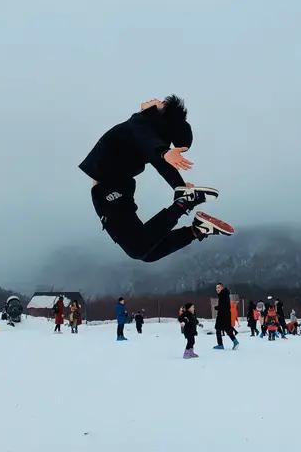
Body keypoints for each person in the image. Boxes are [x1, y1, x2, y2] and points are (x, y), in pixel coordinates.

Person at [78, 95, 234, 263]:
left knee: (138, 248)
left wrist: (177, 179)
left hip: (109, 189)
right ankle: (197, 230)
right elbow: (150, 145)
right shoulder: (142, 123)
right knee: (147, 252)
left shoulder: (142, 123)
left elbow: (156, 154)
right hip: (115, 188)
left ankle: (184, 203)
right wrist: (178, 181)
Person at [213, 283, 239, 350]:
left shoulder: (223, 295)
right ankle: (235, 341)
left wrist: (217, 307)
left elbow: (224, 306)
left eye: (218, 287)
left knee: (218, 329)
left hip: (222, 315)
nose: (217, 289)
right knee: (227, 329)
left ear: (222, 287)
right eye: (216, 288)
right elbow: (225, 305)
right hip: (226, 314)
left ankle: (220, 345)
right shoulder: (225, 294)